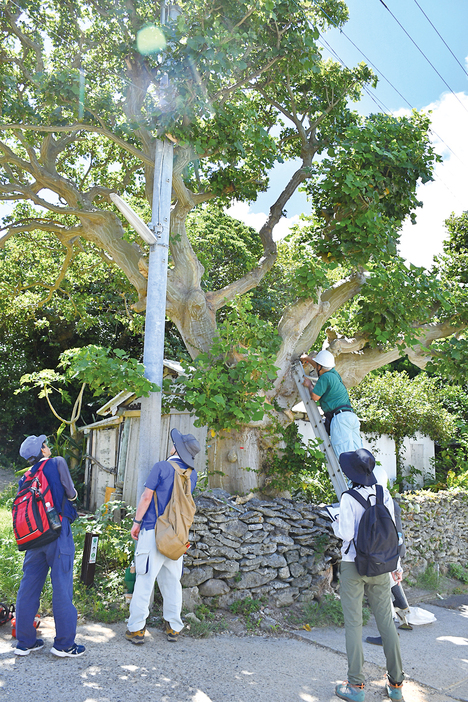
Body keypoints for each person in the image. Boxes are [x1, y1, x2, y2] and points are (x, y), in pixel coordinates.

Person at [335, 448, 404, 702]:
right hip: (381, 564)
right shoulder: (383, 493)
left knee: (354, 624)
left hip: (354, 565)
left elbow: (345, 534)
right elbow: (393, 531)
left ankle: (356, 686)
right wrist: (396, 565)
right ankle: (396, 685)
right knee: (386, 621)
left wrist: (335, 522)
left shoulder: (348, 498)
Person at [125, 428, 200, 645]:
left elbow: (147, 496)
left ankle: (137, 629)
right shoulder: (191, 474)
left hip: (153, 531)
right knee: (172, 582)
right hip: (177, 536)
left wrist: (136, 522)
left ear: (175, 448)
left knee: (144, 581)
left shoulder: (161, 467)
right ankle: (173, 627)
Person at [15, 434, 84, 657]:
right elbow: (71, 493)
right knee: (62, 587)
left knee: (28, 588)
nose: (49, 447)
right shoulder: (57, 463)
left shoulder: (25, 477)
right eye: (46, 445)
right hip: (57, 531)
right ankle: (64, 645)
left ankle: (24, 642)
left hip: (34, 537)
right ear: (43, 450)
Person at [300, 349, 362, 459]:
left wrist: (309, 385)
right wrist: (307, 359)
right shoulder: (334, 374)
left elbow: (314, 396)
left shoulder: (325, 377)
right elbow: (321, 365)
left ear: (320, 366)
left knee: (344, 455)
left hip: (340, 419)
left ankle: (348, 476)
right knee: (358, 453)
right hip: (351, 416)